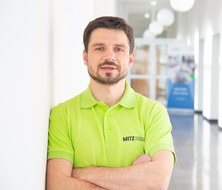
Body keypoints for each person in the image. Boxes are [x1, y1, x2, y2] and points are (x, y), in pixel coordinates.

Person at [46, 16, 176, 190]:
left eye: (119, 49)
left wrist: (82, 173)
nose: (109, 56)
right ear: (85, 57)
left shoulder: (154, 112)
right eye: (99, 48)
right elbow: (57, 184)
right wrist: (134, 178)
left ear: (130, 59)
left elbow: (158, 180)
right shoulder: (62, 114)